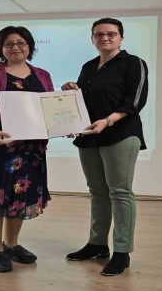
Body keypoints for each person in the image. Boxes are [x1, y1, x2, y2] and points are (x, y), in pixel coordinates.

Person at [62, 17, 149, 276]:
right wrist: (71, 93)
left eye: (111, 33)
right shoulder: (89, 66)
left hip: (121, 134)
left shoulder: (133, 63)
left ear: (121, 38)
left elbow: (135, 101)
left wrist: (108, 121)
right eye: (99, 34)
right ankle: (97, 244)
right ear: (92, 39)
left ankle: (122, 252)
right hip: (90, 135)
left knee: (120, 192)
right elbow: (84, 102)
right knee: (97, 192)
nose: (105, 38)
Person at [0, 26, 54, 273]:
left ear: (30, 46)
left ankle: (11, 244)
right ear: (0, 48)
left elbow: (48, 109)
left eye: (21, 42)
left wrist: (64, 123)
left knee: (19, 197)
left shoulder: (43, 75)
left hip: (30, 148)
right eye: (9, 43)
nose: (15, 47)